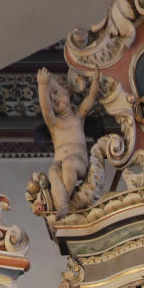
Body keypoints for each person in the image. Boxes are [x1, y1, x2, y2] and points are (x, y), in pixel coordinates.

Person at [36, 67, 99, 216]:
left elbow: (91, 98)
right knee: (52, 172)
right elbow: (46, 110)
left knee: (69, 163)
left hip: (78, 163)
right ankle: (61, 206)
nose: (55, 99)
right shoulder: (54, 123)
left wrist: (96, 81)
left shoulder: (78, 117)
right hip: (60, 165)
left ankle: (64, 202)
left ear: (68, 92)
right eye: (51, 99)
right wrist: (42, 87)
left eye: (56, 92)